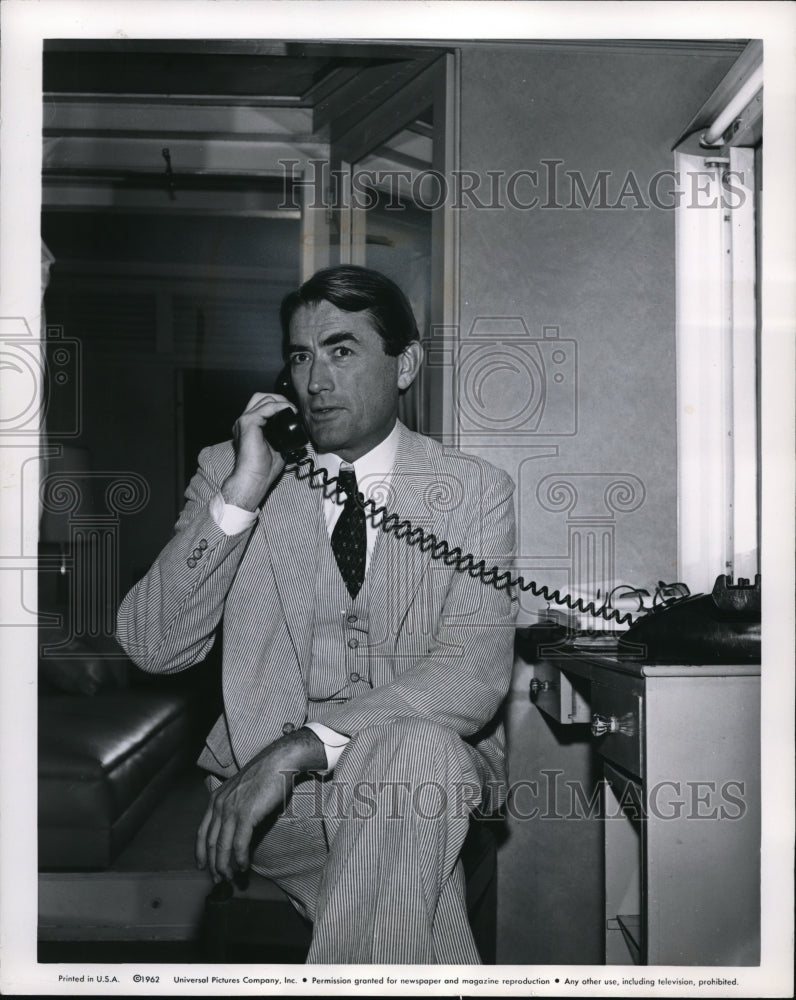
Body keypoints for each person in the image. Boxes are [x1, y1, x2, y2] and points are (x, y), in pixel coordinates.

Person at [116, 265, 517, 964]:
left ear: (406, 365)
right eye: (300, 357)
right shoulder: (232, 469)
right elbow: (152, 647)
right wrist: (243, 495)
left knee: (413, 754)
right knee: (415, 882)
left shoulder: (474, 492)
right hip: (282, 811)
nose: (315, 381)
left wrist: (303, 743)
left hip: (419, 773)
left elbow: (471, 678)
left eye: (341, 351)